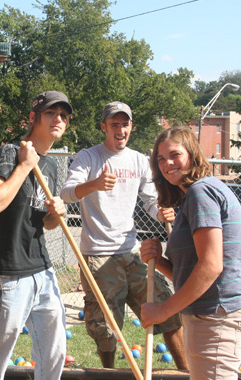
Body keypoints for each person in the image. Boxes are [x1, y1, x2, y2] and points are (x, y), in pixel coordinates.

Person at [60, 101, 188, 369]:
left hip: (132, 250)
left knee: (167, 309)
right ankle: (108, 373)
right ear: (104, 127)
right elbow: (67, 193)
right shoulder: (89, 157)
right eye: (114, 124)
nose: (120, 129)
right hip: (97, 253)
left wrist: (161, 212)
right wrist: (93, 184)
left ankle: (185, 372)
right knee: (105, 326)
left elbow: (151, 200)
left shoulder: (139, 160)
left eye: (124, 124)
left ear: (132, 127)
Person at [140, 126, 241, 380]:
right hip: (209, 315)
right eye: (160, 159)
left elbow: (211, 266)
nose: (167, 163)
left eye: (174, 154)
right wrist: (158, 261)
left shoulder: (200, 192)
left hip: (217, 318)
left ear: (192, 154)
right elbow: (193, 272)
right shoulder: (194, 195)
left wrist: (163, 311)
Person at [0, 91, 72, 380]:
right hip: (9, 275)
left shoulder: (52, 166)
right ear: (33, 118)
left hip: (42, 271)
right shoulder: (10, 153)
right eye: (51, 113)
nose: (58, 119)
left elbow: (46, 225)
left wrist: (57, 213)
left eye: (63, 115)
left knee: (54, 350)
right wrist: (25, 165)